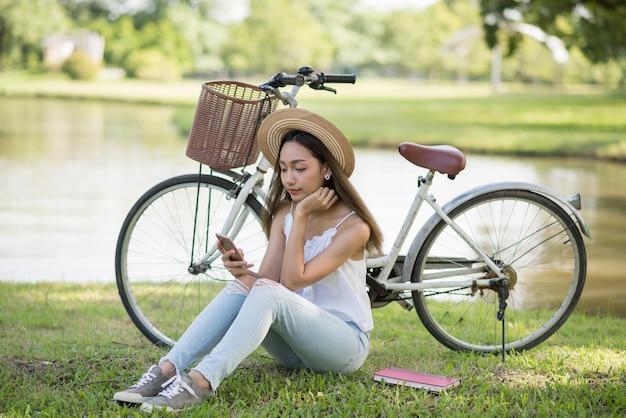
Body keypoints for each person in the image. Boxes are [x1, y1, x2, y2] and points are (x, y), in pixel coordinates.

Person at [113, 108, 384, 413]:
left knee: (266, 291)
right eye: (283, 169)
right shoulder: (284, 211)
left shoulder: (353, 227)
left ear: (326, 170)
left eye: (299, 168)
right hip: (294, 350)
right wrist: (241, 274)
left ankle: (200, 383)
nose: (289, 179)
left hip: (342, 347)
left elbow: (293, 281)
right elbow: (268, 282)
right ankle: (167, 369)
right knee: (245, 289)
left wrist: (303, 216)